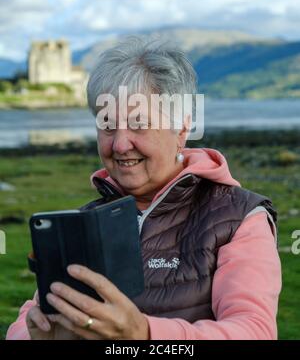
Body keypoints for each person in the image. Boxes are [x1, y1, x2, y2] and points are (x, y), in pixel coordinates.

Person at [6, 37, 281, 340]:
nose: (120, 144)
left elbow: (254, 331)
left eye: (139, 124)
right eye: (108, 125)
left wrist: (145, 335)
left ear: (181, 130)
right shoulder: (83, 222)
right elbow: (25, 323)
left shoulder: (240, 218)